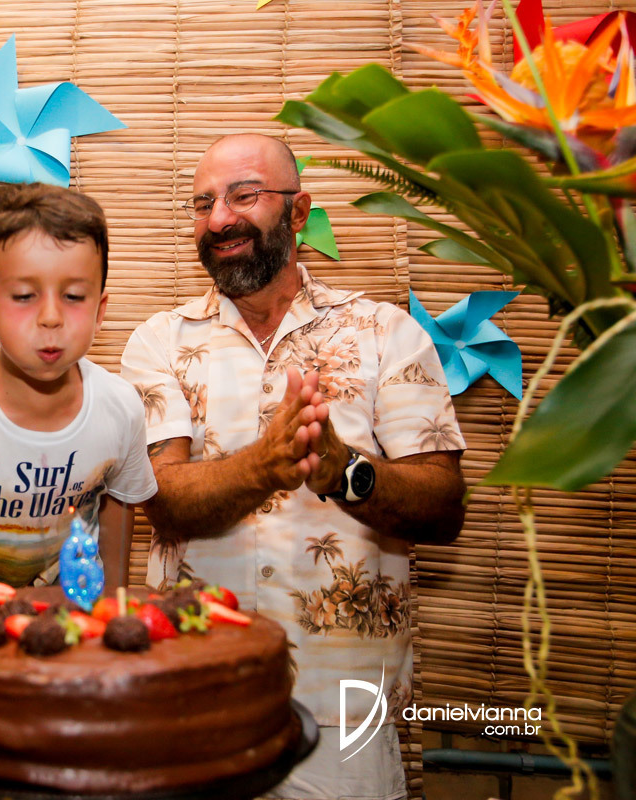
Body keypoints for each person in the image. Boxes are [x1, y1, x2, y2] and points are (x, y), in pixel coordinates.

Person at [120, 133, 467, 800]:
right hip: (193, 689)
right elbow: (161, 499)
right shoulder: (159, 342)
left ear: (299, 211)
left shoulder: (384, 333)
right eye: (203, 203)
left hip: (345, 706)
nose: (220, 219)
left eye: (243, 195)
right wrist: (266, 465)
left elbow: (444, 507)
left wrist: (346, 473)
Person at [0, 183, 158, 592]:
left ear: (100, 310)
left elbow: (120, 508)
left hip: (79, 610)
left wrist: (114, 605)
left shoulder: (121, 408)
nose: (51, 317)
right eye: (24, 296)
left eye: (74, 295)